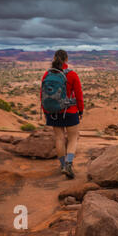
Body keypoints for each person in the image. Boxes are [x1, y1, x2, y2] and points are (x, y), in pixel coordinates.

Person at [40, 50, 84, 179]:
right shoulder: (72, 75)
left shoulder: (47, 74)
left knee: (59, 138)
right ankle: (69, 164)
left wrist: (45, 111)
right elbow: (79, 95)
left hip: (53, 112)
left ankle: (62, 165)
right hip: (69, 111)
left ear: (54, 58)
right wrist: (80, 110)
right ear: (66, 60)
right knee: (73, 138)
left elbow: (42, 95)